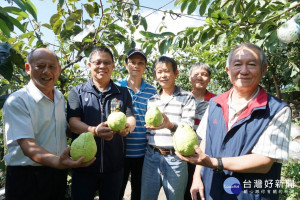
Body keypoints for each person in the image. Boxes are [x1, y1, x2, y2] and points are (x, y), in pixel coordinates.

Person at [176, 43, 291, 200]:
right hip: (212, 192)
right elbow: (204, 142)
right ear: (228, 70)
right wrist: (197, 176)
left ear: (263, 70)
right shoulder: (215, 103)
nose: (243, 71)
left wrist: (215, 163)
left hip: (250, 195)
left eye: (251, 64)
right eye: (237, 64)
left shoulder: (277, 110)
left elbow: (264, 162)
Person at [3, 48, 95, 200]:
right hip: (27, 177)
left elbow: (60, 128)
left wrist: (91, 132)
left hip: (56, 174)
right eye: (40, 66)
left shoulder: (58, 96)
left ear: (59, 70)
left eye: (52, 67)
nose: (47, 71)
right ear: (28, 68)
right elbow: (28, 146)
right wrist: (58, 162)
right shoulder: (18, 101)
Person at [67, 46, 136, 200]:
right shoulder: (77, 92)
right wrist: (94, 131)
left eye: (107, 63)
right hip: (83, 166)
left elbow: (131, 118)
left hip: (114, 166)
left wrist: (127, 128)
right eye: (98, 62)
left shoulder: (123, 93)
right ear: (90, 65)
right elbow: (73, 122)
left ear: (112, 66)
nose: (102, 66)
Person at [140, 56, 196, 200]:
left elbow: (188, 128)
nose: (163, 75)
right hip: (151, 156)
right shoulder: (152, 100)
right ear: (155, 75)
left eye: (166, 71)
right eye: (159, 72)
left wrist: (170, 125)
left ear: (175, 73)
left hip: (176, 158)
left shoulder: (187, 97)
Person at [116, 48, 157, 200]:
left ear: (145, 67)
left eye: (140, 63)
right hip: (120, 150)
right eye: (132, 62)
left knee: (138, 192)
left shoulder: (152, 91)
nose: (136, 66)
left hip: (143, 151)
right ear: (126, 64)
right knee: (117, 191)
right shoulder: (116, 87)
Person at [185, 63, 216, 200]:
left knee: (202, 190)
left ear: (209, 79)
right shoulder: (183, 99)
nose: (200, 77)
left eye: (204, 74)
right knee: (186, 190)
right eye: (196, 74)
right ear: (190, 77)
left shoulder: (216, 101)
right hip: (185, 153)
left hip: (205, 154)